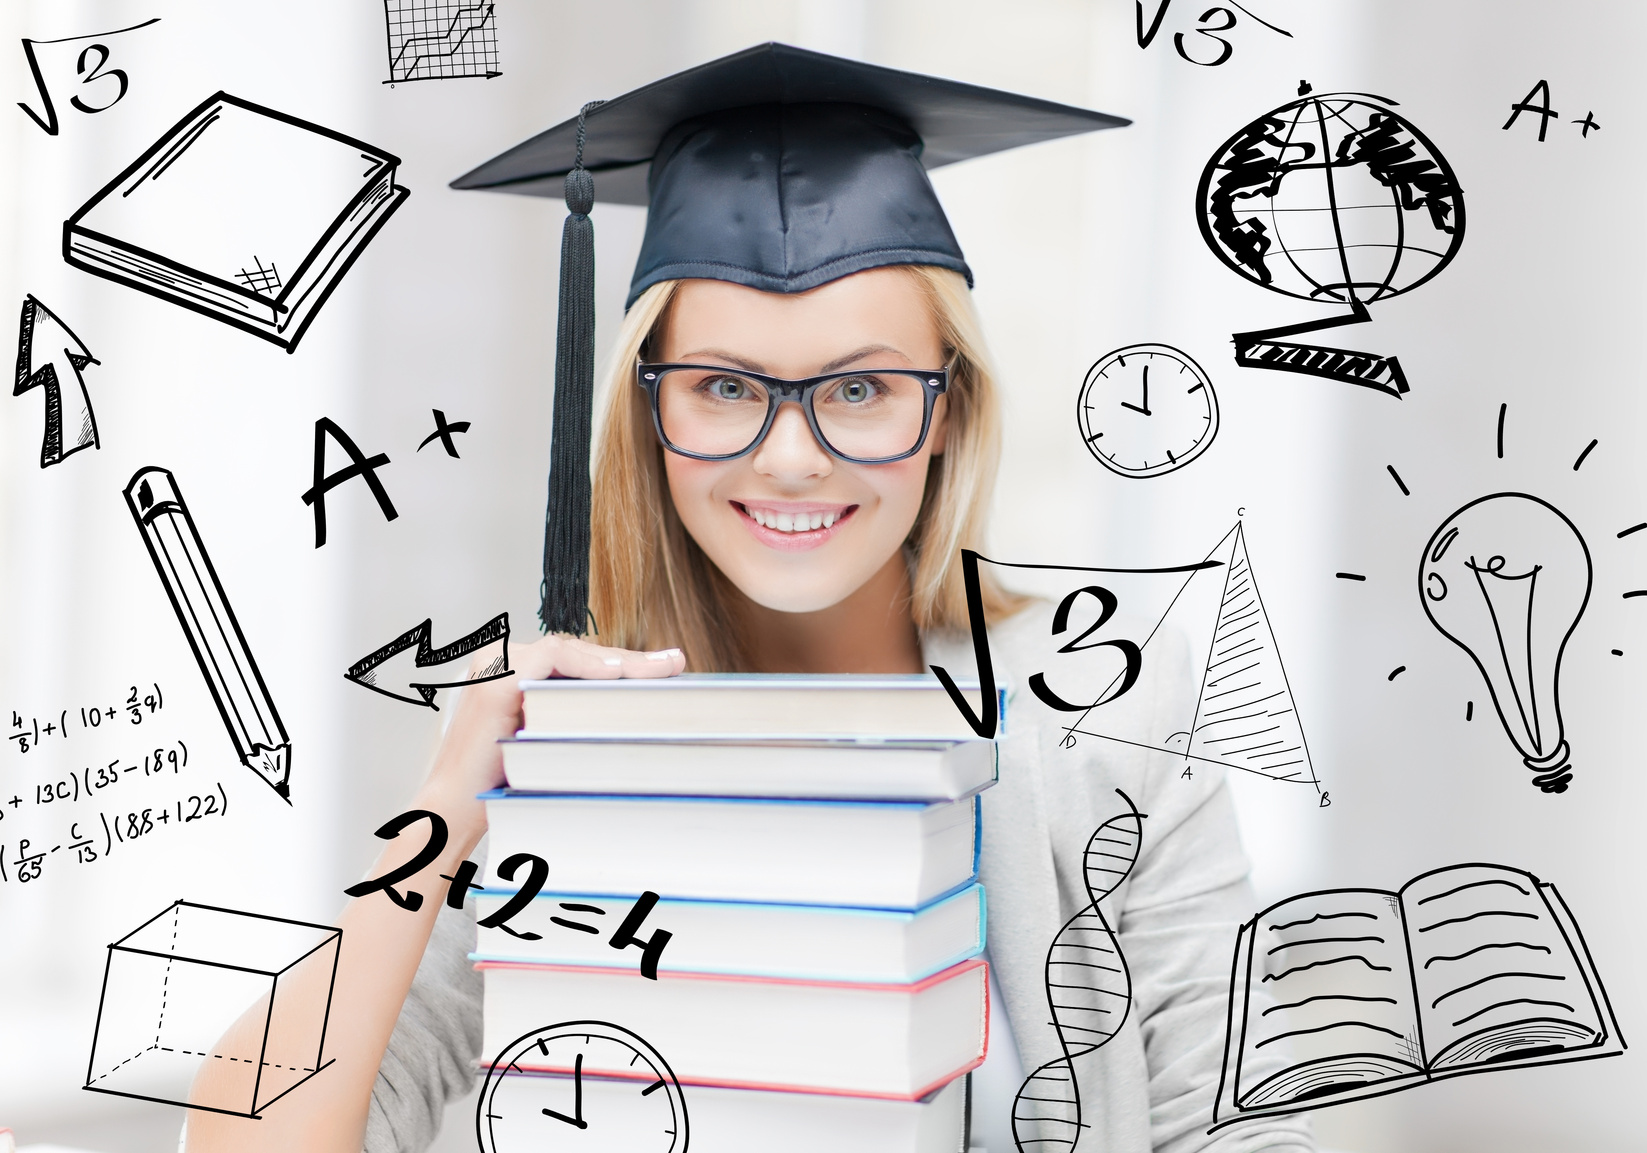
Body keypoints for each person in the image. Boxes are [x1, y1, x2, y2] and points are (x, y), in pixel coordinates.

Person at [186, 44, 1313, 1153]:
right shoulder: (568, 760)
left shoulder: (1116, 722)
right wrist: (438, 821)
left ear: (952, 415)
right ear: (646, 415)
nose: (789, 458)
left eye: (862, 389)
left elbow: (1239, 1125)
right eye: (725, 387)